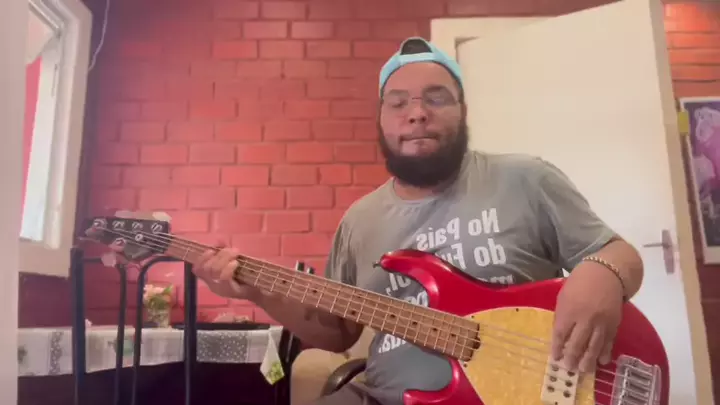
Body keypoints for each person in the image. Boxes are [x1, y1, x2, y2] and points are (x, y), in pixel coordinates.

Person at [193, 37, 644, 405]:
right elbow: (338, 332)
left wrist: (602, 273)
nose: (417, 112)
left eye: (436, 97)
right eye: (398, 103)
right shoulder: (360, 221)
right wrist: (255, 290)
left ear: (463, 110)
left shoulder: (526, 178)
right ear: (381, 120)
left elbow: (619, 255)